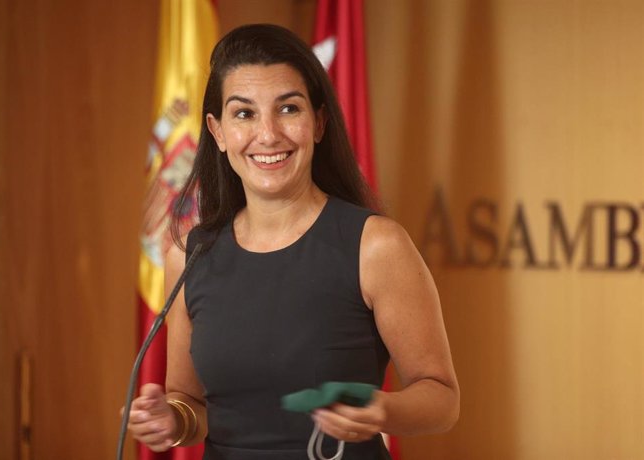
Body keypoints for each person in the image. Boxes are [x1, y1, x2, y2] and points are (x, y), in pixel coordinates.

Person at [125, 24, 459, 459]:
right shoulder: (189, 255)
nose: (268, 134)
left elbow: (442, 399)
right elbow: (192, 403)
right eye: (244, 113)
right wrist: (173, 419)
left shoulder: (376, 245)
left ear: (318, 122)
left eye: (288, 109)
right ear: (218, 131)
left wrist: (381, 410)